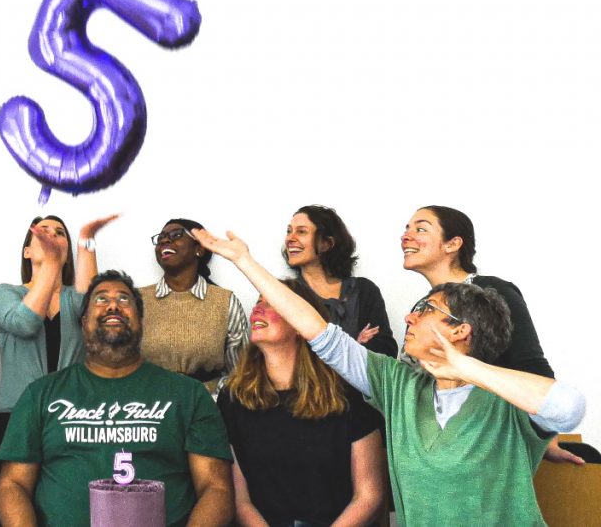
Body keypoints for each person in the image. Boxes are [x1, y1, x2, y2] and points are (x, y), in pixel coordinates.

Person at [195, 228, 586, 525]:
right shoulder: (398, 384)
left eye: (425, 309)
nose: (409, 317)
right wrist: (244, 262)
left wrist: (465, 368)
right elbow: (318, 332)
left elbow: (568, 408)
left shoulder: (507, 401)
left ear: (460, 331)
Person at [0, 270, 234, 527]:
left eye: (124, 300)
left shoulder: (188, 394)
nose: (112, 305)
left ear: (141, 321)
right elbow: (13, 484)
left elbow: (216, 488)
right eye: (100, 299)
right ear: (84, 322)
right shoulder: (41, 394)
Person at [400, 205, 583, 465]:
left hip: (485, 448)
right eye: (406, 229)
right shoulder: (420, 310)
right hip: (435, 451)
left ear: (453, 244)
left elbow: (532, 366)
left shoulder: (494, 292)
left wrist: (543, 436)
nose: (406, 236)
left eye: (420, 228)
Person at [217, 278, 384, 527]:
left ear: (300, 322)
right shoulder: (233, 397)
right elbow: (240, 500)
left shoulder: (348, 392)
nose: (257, 309)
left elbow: (369, 496)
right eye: (257, 302)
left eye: (272, 303)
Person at [0, 215, 115, 503]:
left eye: (59, 234)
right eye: (43, 233)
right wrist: (51, 267)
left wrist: (86, 238)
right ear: (27, 251)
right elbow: (26, 323)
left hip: (74, 416)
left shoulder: (74, 299)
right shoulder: (5, 293)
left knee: (68, 502)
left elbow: (95, 313)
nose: (52, 237)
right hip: (16, 416)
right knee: (13, 505)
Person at [140, 218, 248, 393]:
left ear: (199, 249)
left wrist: (210, 392)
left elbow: (240, 371)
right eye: (161, 238)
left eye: (176, 235)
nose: (166, 240)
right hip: (148, 407)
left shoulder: (225, 301)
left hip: (207, 404)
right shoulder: (139, 300)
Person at [285, 205, 396, 357]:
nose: (290, 239)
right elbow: (287, 356)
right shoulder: (286, 294)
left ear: (327, 243)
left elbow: (384, 351)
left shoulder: (364, 290)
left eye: (301, 231)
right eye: (289, 231)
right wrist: (355, 347)